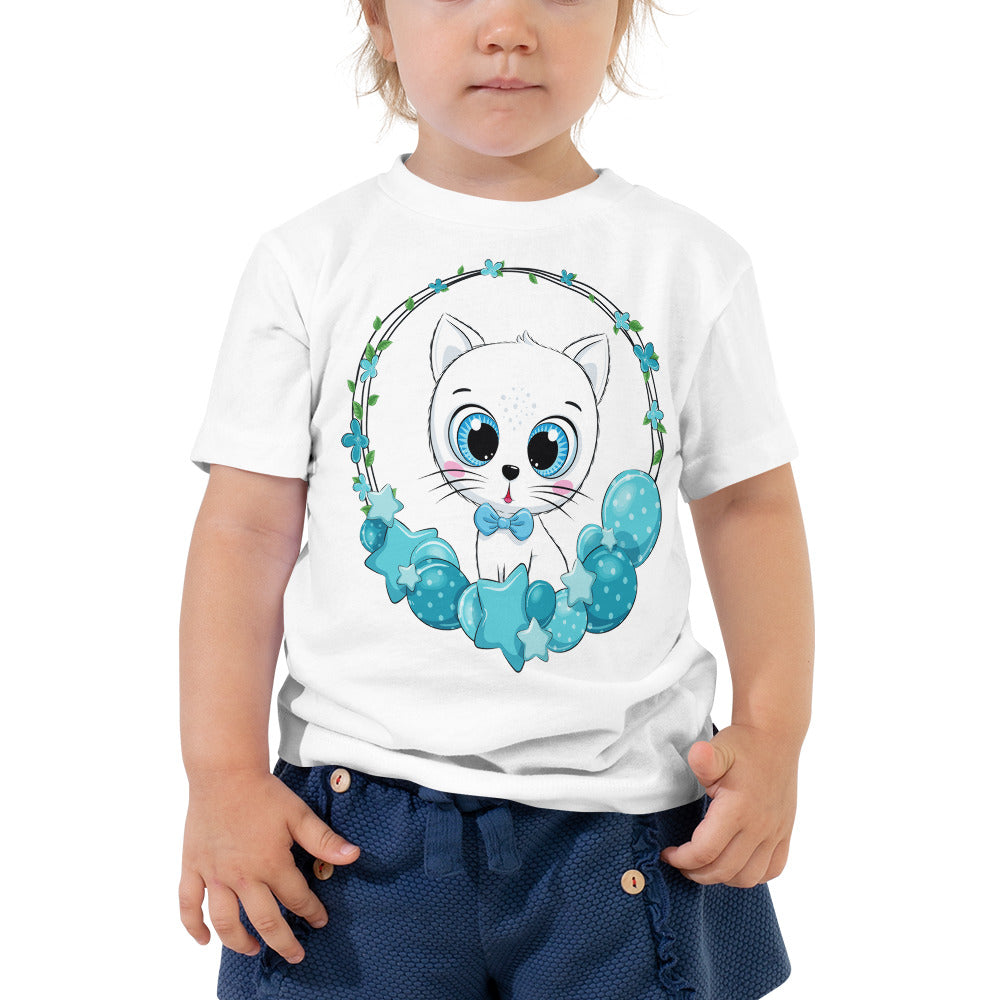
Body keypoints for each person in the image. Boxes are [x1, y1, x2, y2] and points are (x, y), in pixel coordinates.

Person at [178, 1, 814, 998]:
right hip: (352, 834)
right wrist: (221, 775)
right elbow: (246, 529)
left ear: (621, 14)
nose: (508, 27)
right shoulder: (311, 260)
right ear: (379, 15)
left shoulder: (689, 264)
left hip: (626, 824)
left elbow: (749, 509)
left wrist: (773, 736)